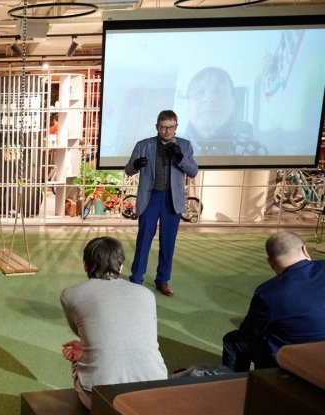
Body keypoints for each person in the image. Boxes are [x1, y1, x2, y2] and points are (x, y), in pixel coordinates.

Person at [60, 237, 168, 409]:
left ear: (85, 265)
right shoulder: (146, 294)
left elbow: (82, 332)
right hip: (156, 388)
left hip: (101, 398)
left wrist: (84, 350)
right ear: (121, 266)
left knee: (77, 360)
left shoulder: (70, 294)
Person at [222, 231, 325, 372]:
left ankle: (235, 383)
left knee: (232, 341)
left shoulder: (267, 292)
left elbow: (248, 332)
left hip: (296, 357)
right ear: (304, 249)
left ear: (270, 263)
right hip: (319, 354)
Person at [124, 110, 199, 297]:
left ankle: (163, 280)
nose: (167, 131)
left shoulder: (184, 145)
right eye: (163, 127)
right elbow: (128, 169)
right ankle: (136, 279)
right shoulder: (144, 145)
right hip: (150, 198)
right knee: (143, 240)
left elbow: (193, 171)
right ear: (157, 127)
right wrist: (136, 165)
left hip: (172, 200)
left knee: (168, 242)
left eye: (171, 127)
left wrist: (180, 159)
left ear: (176, 127)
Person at [183, 67, 267, 157]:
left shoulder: (256, 150)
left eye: (219, 91)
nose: (209, 98)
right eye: (200, 92)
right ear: (187, 104)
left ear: (232, 103)